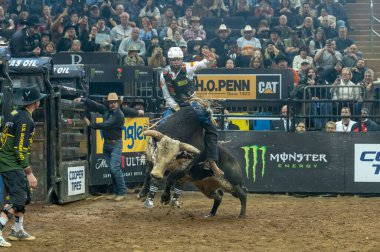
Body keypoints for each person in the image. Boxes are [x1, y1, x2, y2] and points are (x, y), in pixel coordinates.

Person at [160, 46, 224, 176]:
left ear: (181, 59)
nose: (176, 62)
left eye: (178, 59)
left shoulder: (188, 67)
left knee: (209, 125)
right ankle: (158, 158)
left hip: (192, 101)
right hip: (175, 104)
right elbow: (166, 95)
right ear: (169, 60)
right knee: (162, 125)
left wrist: (210, 60)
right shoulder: (164, 74)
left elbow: (203, 64)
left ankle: (211, 160)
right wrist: (174, 106)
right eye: (173, 60)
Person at [0, 85, 48, 247]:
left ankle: (17, 230)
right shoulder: (26, 119)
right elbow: (19, 149)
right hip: (11, 162)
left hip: (8, 160)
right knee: (18, 197)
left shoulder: (15, 114)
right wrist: (29, 173)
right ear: (35, 103)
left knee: (24, 195)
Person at [73, 93, 143, 201]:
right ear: (109, 104)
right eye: (110, 103)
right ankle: (117, 192)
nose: (112, 104)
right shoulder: (106, 110)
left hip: (116, 144)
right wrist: (83, 100)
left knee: (114, 168)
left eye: (114, 102)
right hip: (107, 144)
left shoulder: (119, 115)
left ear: (117, 103)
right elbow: (95, 105)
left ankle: (121, 192)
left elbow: (106, 124)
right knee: (112, 169)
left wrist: (90, 124)